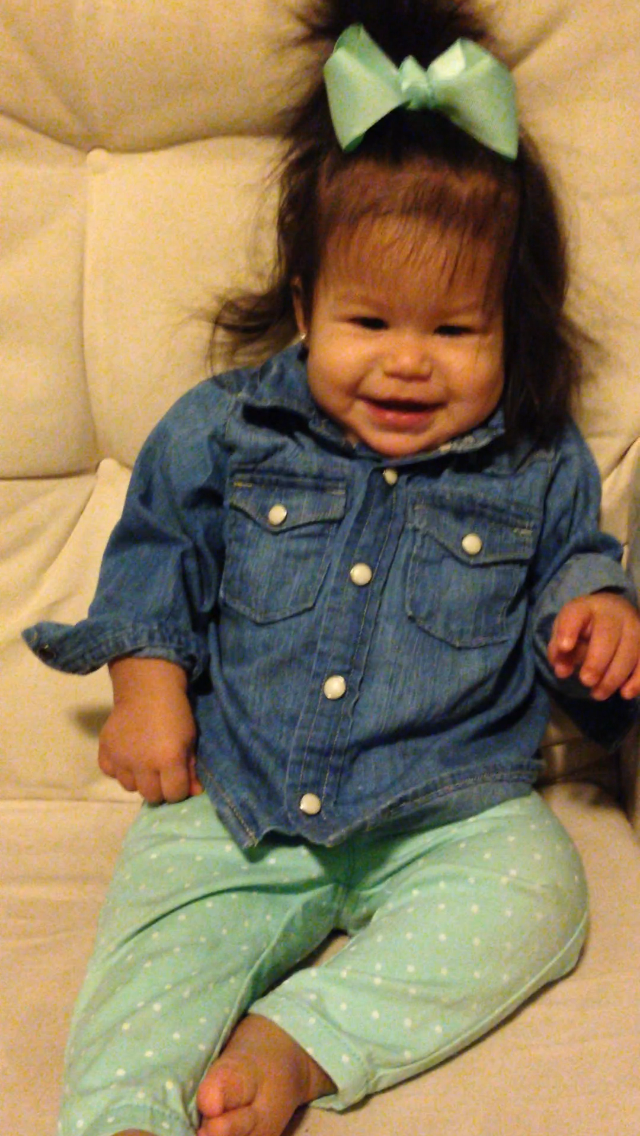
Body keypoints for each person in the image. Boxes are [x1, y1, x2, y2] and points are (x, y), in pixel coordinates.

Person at [24, 2, 640, 1135]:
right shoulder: (228, 430)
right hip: (238, 795)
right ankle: (123, 1115)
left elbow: (573, 571)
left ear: (510, 327)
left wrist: (597, 618)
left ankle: (301, 1043)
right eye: (369, 321)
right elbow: (157, 555)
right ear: (306, 305)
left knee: (541, 898)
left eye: (454, 330)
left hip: (448, 806)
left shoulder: (536, 460)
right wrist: (147, 686)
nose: (407, 362)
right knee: (152, 956)